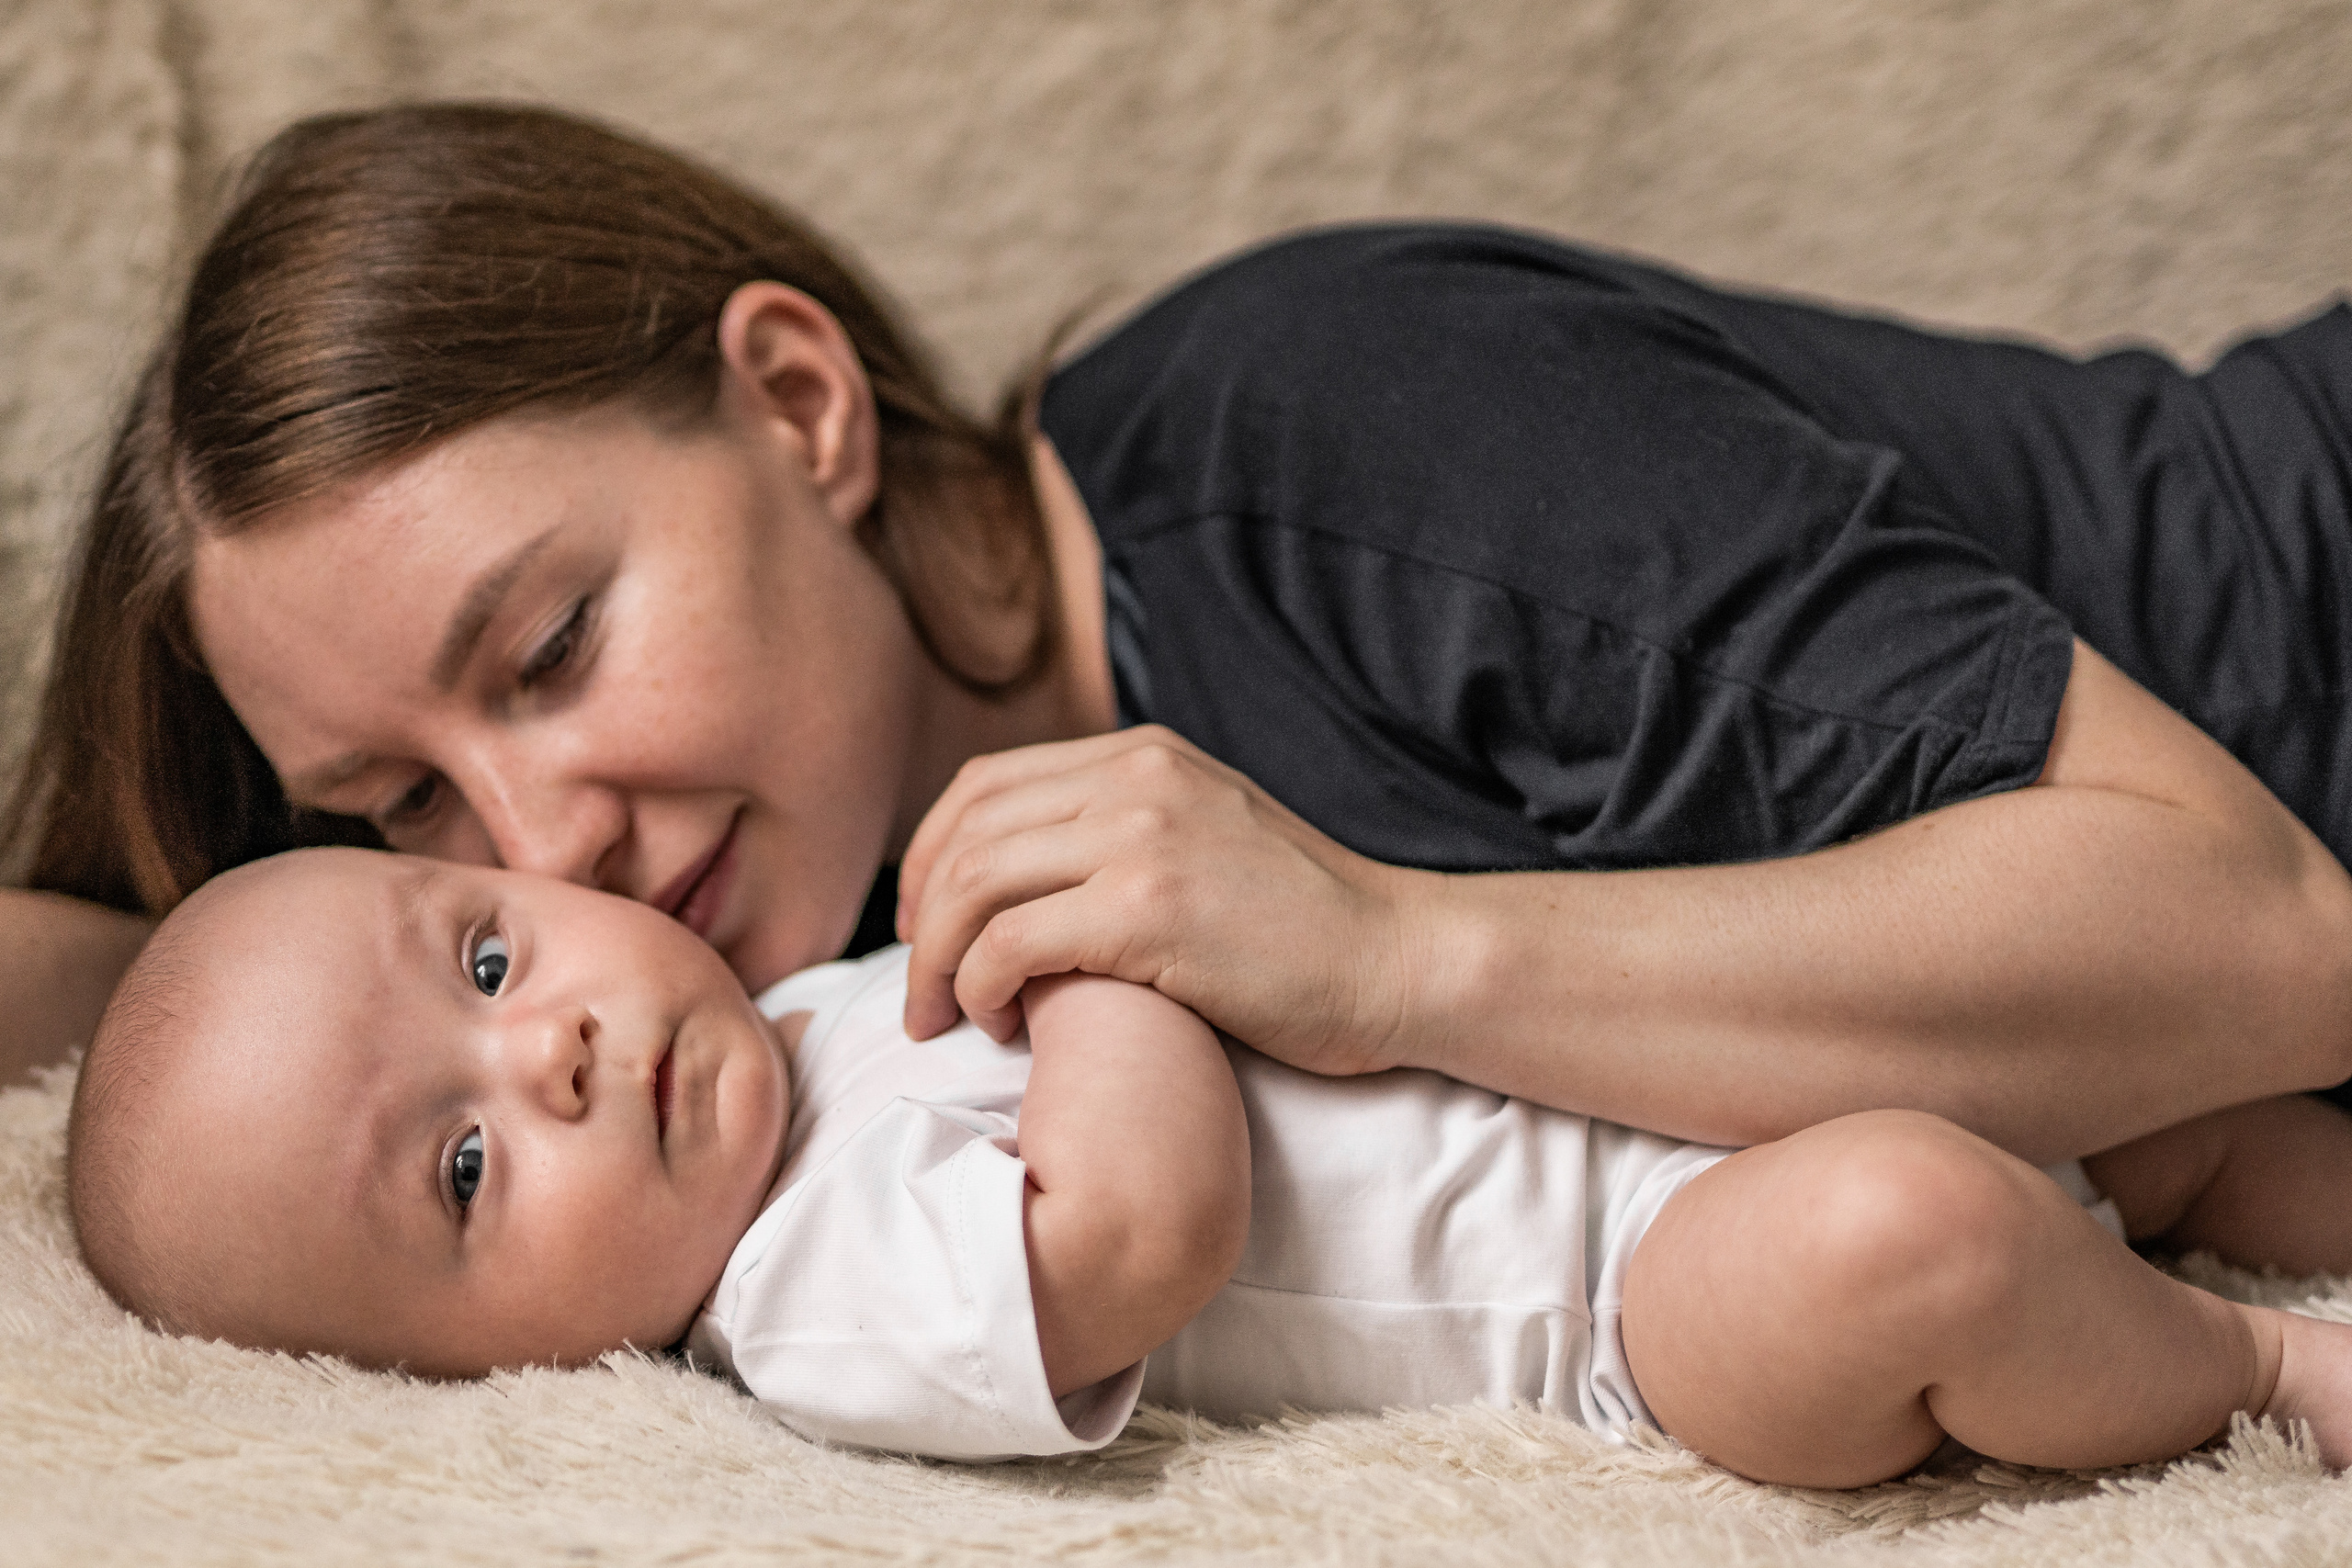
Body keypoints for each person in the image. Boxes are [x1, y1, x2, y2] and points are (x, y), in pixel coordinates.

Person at [7, 102, 2352, 1169]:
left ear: (800, 406)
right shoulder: (764, 1006)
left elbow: (2258, 935)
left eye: (545, 648)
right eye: (407, 805)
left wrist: (1384, 949)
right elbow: (187, 998)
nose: (544, 839)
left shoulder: (1331, 429)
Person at [66, 845, 2352, 1483]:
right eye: (462, 1168)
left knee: (2141, 1091)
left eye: (482, 949)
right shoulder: (798, 1296)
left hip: (1652, 1065)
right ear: (464, 1374)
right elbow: (1145, 1225)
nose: (549, 1041)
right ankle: (2254, 1370)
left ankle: (2236, 1199)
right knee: (1916, 1222)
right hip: (1639, 1290)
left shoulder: (813, 999)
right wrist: (1108, 967)